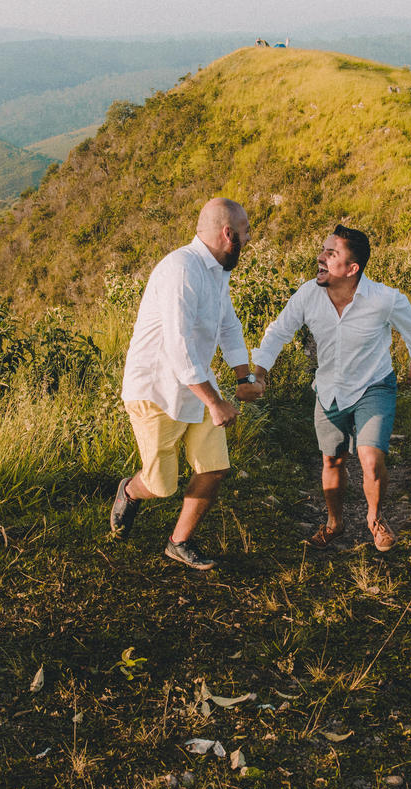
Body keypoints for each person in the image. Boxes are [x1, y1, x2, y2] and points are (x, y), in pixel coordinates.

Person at [251, 224, 411, 552]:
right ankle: (335, 523)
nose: (320, 257)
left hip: (374, 386)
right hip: (329, 390)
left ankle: (375, 519)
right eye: (323, 250)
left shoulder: (383, 299)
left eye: (331, 254)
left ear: (352, 268)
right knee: (332, 460)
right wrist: (259, 372)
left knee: (370, 458)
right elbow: (279, 331)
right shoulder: (308, 294)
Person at [110, 198, 266, 570]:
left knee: (214, 468)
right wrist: (215, 402)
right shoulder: (181, 270)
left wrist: (243, 377)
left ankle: (178, 542)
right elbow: (177, 347)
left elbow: (228, 326)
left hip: (196, 385)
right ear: (228, 234)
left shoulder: (217, 272)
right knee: (160, 485)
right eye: (245, 232)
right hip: (157, 390)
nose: (248, 239)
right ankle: (129, 490)